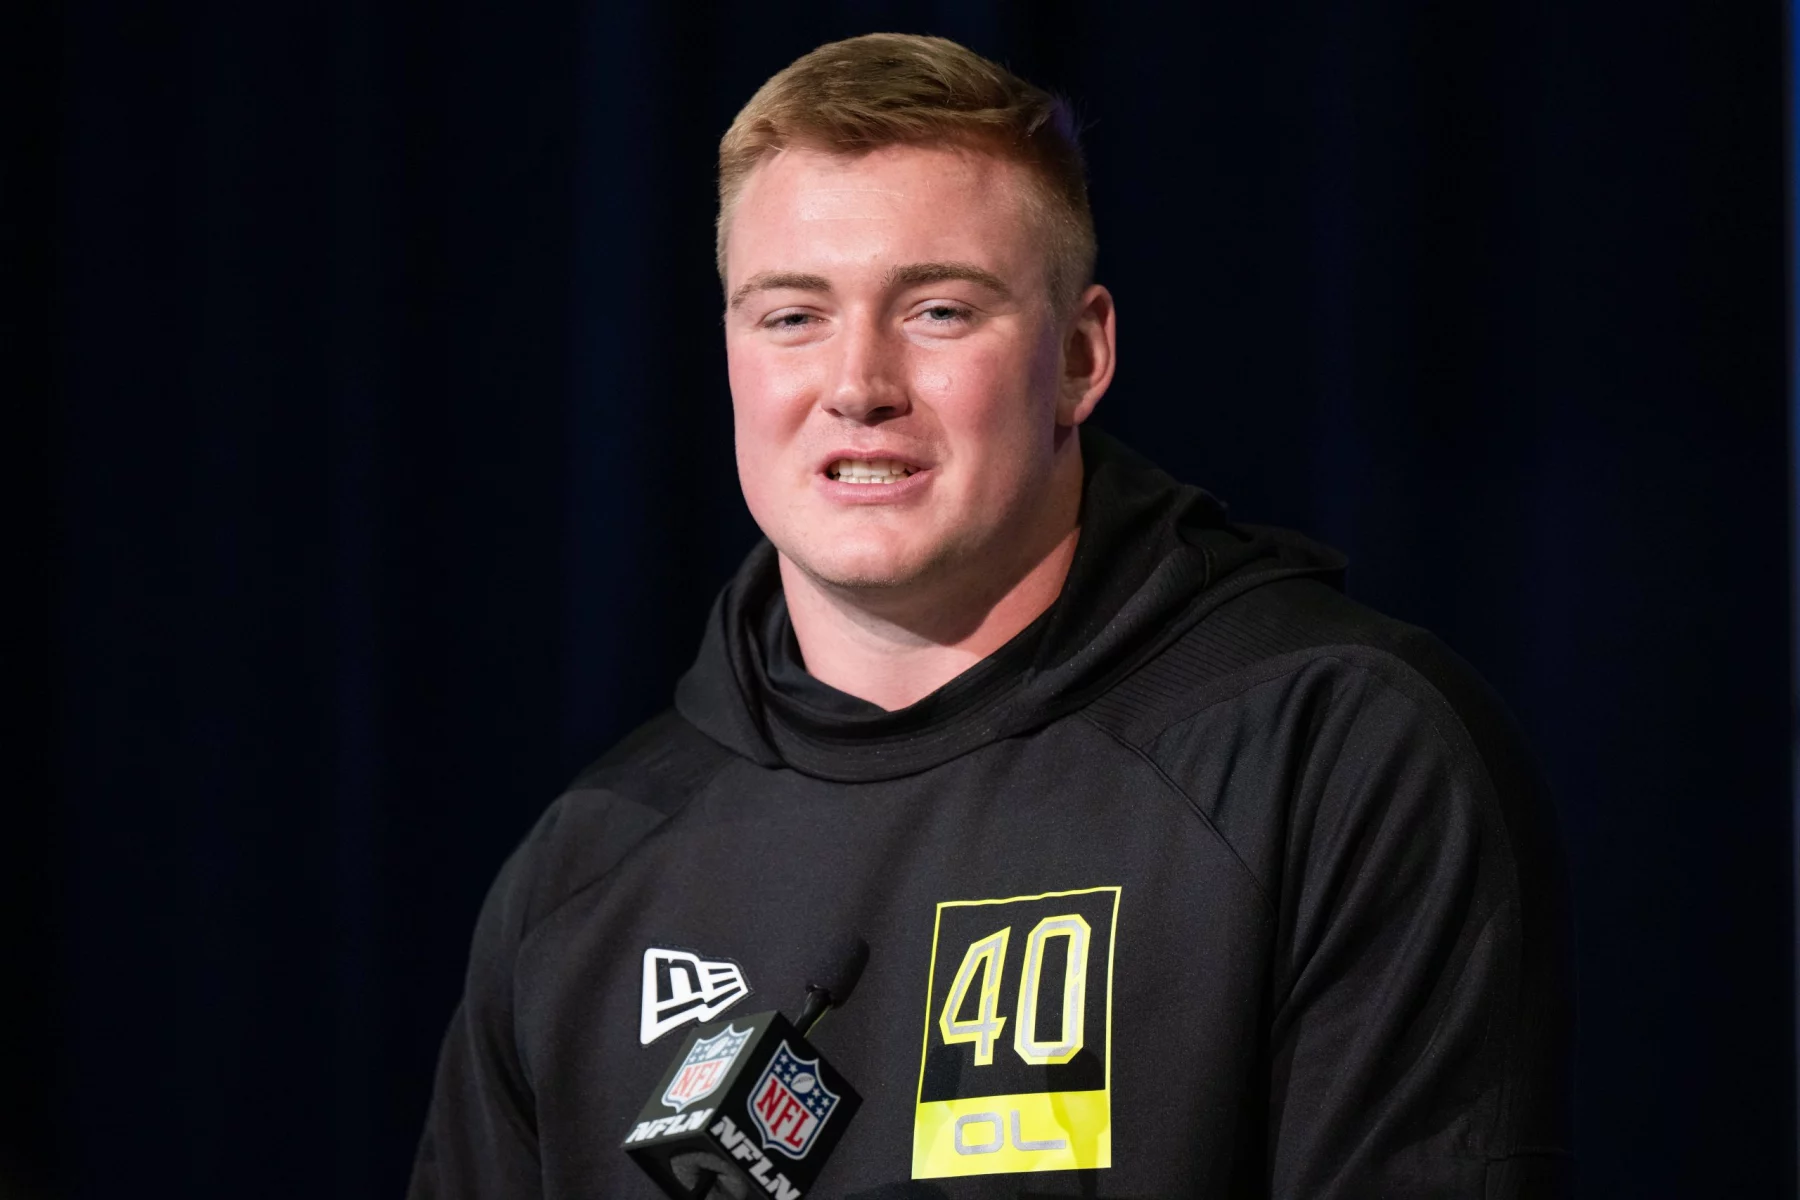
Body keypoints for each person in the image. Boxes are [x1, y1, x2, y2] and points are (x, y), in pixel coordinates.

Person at [409, 32, 1572, 1198]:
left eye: (940, 312)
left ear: (1078, 354)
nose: (858, 385)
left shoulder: (1335, 760)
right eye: (792, 317)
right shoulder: (586, 869)